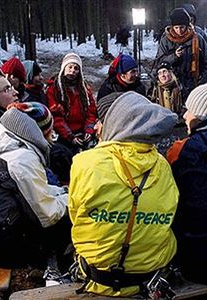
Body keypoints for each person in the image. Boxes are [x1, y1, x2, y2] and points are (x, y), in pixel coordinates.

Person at [68, 91, 179, 297]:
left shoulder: (85, 161)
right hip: (149, 276)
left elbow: (76, 216)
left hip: (97, 277)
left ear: (116, 122)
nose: (97, 127)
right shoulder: (162, 165)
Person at [0, 102, 71, 270]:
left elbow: (29, 191)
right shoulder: (21, 160)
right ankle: (56, 270)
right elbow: (48, 215)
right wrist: (73, 198)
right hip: (0, 249)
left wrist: (61, 192)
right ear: (42, 132)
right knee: (70, 219)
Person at [167, 83, 207, 285]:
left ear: (199, 115)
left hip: (194, 256)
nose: (184, 116)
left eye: (189, 110)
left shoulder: (183, 149)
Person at [46, 53, 97, 184]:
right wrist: (70, 136)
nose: (72, 71)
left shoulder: (84, 89)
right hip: (63, 135)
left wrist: (89, 130)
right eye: (70, 67)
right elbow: (57, 117)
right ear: (64, 68)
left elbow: (91, 112)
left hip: (83, 133)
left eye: (76, 68)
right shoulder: (54, 88)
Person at [154, 8, 207, 101]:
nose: (179, 31)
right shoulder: (166, 40)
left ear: (187, 25)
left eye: (182, 27)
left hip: (193, 83)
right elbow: (159, 62)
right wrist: (174, 56)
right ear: (172, 27)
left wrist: (201, 80)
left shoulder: (198, 39)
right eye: (176, 27)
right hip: (172, 83)